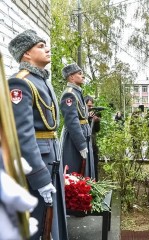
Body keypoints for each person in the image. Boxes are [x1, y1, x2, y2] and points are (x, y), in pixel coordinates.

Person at [7, 29, 68, 239]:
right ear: (26, 54)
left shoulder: (42, 80)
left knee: (51, 224)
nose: (47, 49)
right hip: (36, 164)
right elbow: (21, 135)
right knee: (37, 225)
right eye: (41, 46)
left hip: (51, 158)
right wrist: (39, 178)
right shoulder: (20, 83)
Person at [60, 63, 95, 178]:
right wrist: (81, 145)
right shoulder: (69, 94)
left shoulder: (77, 92)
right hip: (74, 140)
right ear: (71, 77)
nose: (83, 76)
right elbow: (72, 122)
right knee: (75, 173)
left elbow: (81, 116)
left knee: (84, 174)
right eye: (80, 74)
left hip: (83, 135)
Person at [85, 95, 101, 181]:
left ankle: (95, 183)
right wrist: (88, 119)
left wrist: (97, 121)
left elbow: (97, 130)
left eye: (92, 106)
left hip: (93, 144)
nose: (90, 108)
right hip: (86, 145)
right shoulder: (82, 115)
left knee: (95, 167)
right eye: (89, 106)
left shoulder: (95, 114)